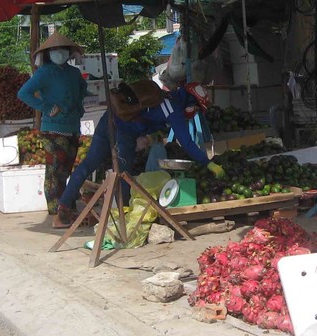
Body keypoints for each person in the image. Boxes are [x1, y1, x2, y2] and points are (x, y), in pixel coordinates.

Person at [57, 81, 225, 217]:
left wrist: (151, 136)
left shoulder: (167, 98)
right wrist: (207, 162)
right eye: (196, 108)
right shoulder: (173, 109)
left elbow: (150, 117)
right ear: (191, 102)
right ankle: (122, 214)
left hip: (107, 120)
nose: (194, 112)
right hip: (123, 131)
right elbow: (186, 142)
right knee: (123, 174)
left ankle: (62, 208)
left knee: (88, 165)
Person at [17, 33, 87, 228]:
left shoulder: (73, 73)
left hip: (72, 127)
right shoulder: (44, 73)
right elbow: (24, 93)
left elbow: (83, 88)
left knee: (66, 170)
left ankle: (67, 208)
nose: (59, 53)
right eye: (55, 50)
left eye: (63, 50)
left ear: (69, 52)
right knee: (55, 171)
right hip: (52, 130)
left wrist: (79, 106)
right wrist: (47, 107)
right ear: (48, 54)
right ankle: (58, 214)